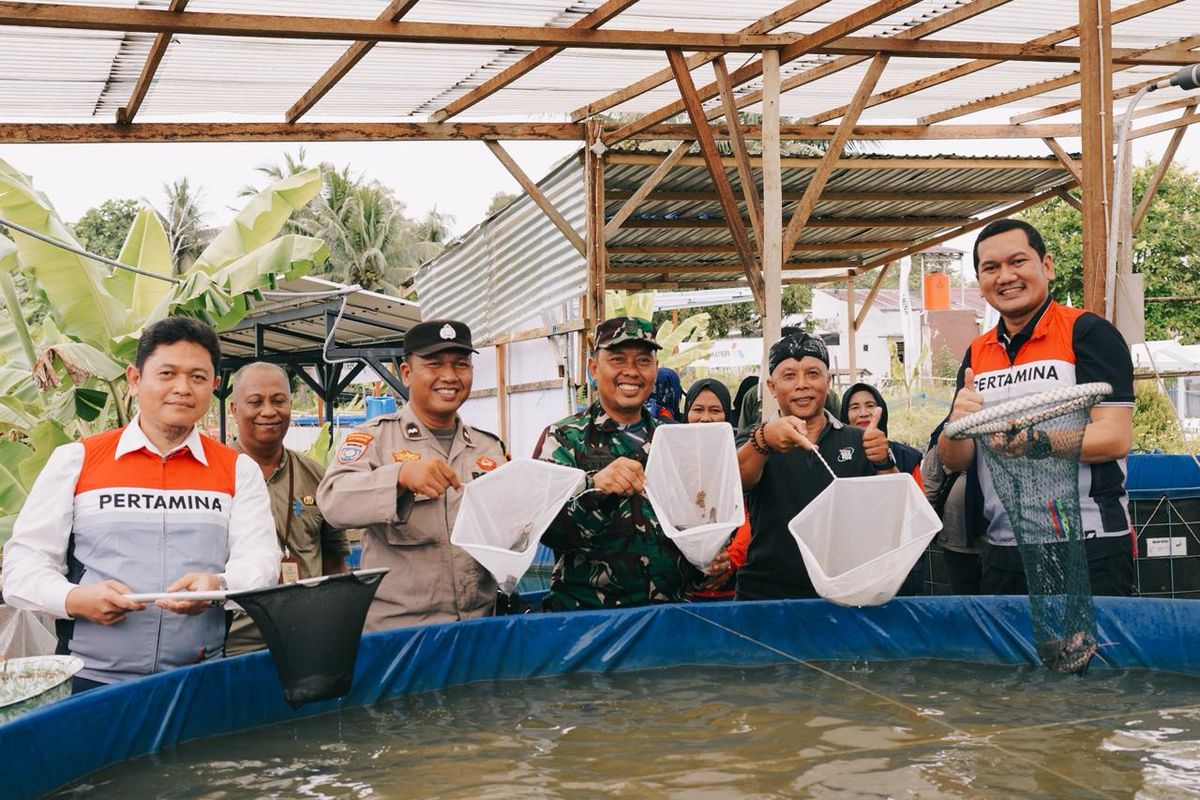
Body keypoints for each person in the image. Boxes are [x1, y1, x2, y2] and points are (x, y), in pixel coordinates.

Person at [1, 316, 279, 691]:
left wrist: (219, 586)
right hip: (89, 681)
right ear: (135, 379)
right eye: (167, 374)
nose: (182, 388)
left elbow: (261, 561)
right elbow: (22, 566)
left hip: (199, 680)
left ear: (215, 386)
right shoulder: (78, 460)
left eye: (197, 377)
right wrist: (75, 598)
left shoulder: (237, 470)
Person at [938, 219, 1136, 596]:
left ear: (1047, 266)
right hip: (1003, 548)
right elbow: (956, 459)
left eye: (1018, 262)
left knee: (1093, 656)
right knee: (1014, 658)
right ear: (980, 281)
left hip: (1089, 543)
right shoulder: (977, 352)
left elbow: (1115, 437)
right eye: (990, 268)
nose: (1005, 276)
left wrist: (1037, 442)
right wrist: (956, 423)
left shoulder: (1088, 332)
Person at [316, 319, 507, 631]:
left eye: (461, 365)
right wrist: (399, 477)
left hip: (479, 628)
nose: (450, 376)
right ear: (407, 373)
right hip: (401, 635)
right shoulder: (374, 439)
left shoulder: (489, 448)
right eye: (434, 364)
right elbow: (333, 503)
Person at [533, 316, 705, 610]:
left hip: (668, 617)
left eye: (642, 360)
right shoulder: (563, 439)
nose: (631, 372)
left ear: (655, 369)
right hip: (586, 622)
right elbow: (547, 532)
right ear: (594, 368)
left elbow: (695, 521)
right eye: (617, 359)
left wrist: (709, 557)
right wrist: (595, 489)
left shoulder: (674, 439)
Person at [735, 331, 897, 600]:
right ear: (772, 387)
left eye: (812, 374)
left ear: (828, 381)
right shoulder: (753, 438)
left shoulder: (858, 439)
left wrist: (883, 461)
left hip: (844, 589)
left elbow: (890, 510)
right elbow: (738, 479)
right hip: (765, 590)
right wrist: (764, 440)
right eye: (789, 376)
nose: (802, 385)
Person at [224, 362, 350, 656]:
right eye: (255, 402)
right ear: (234, 409)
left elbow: (335, 562)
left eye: (278, 401)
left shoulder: (315, 475)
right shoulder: (213, 476)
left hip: (307, 638)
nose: (268, 411)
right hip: (234, 645)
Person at [839, 382, 928, 594]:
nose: (863, 413)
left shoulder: (906, 456)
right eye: (854, 407)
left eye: (870, 405)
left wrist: (886, 462)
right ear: (844, 414)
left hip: (899, 568)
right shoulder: (834, 457)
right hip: (851, 569)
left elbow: (920, 513)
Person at [681, 378, 750, 601]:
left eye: (715, 410)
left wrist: (731, 559)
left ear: (726, 416)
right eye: (698, 409)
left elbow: (748, 513)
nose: (706, 418)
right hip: (682, 584)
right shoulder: (673, 457)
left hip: (732, 584)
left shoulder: (738, 456)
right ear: (686, 414)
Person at [922, 423, 981, 594]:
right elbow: (930, 483)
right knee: (964, 595)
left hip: (1001, 540)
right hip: (957, 536)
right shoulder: (947, 430)